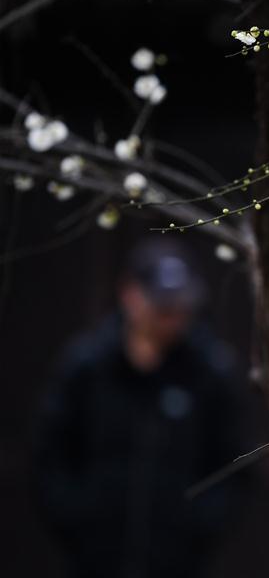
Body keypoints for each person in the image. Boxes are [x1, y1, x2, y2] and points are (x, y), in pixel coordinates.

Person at [34, 238, 246, 578]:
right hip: (93, 560)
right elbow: (50, 455)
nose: (172, 318)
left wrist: (199, 526)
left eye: (181, 307)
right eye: (162, 307)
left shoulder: (209, 372)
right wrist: (77, 519)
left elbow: (235, 465)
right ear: (130, 295)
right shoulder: (88, 367)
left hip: (179, 563)